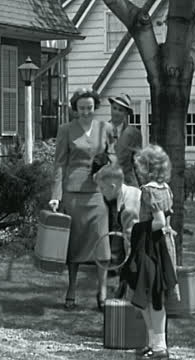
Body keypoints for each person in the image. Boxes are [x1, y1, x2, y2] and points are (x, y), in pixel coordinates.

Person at [49, 88, 113, 311]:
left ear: (95, 107)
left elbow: (113, 159)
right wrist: (55, 196)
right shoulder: (66, 130)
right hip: (73, 192)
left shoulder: (105, 128)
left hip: (98, 192)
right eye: (81, 108)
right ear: (75, 109)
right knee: (74, 244)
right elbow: (59, 164)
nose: (86, 111)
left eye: (90, 107)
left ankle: (103, 291)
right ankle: (72, 289)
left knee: (102, 242)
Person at [121, 144, 180, 360]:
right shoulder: (166, 189)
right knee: (152, 296)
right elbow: (168, 219)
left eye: (139, 168)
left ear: (146, 169)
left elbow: (159, 221)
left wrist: (137, 228)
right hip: (164, 246)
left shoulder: (148, 191)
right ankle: (154, 343)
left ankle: (158, 346)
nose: (137, 172)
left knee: (148, 295)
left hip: (151, 248)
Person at [93, 164, 141, 292]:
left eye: (102, 188)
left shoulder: (129, 206)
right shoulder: (124, 193)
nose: (100, 191)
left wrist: (127, 267)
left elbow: (131, 240)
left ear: (112, 187)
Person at [107, 94, 142, 187]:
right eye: (114, 108)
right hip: (106, 184)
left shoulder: (134, 134)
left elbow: (137, 163)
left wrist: (142, 186)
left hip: (127, 183)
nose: (116, 112)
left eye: (120, 110)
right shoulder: (101, 130)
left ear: (126, 113)